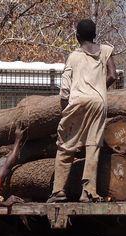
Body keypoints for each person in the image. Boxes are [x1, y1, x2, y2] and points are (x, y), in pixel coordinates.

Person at [47, 19, 117, 203]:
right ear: (94, 35)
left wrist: (65, 109)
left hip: (78, 102)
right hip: (99, 102)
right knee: (93, 146)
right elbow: (112, 75)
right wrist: (100, 87)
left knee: (66, 145)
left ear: (77, 36)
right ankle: (87, 192)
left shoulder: (74, 57)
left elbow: (65, 88)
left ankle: (58, 191)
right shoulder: (106, 51)